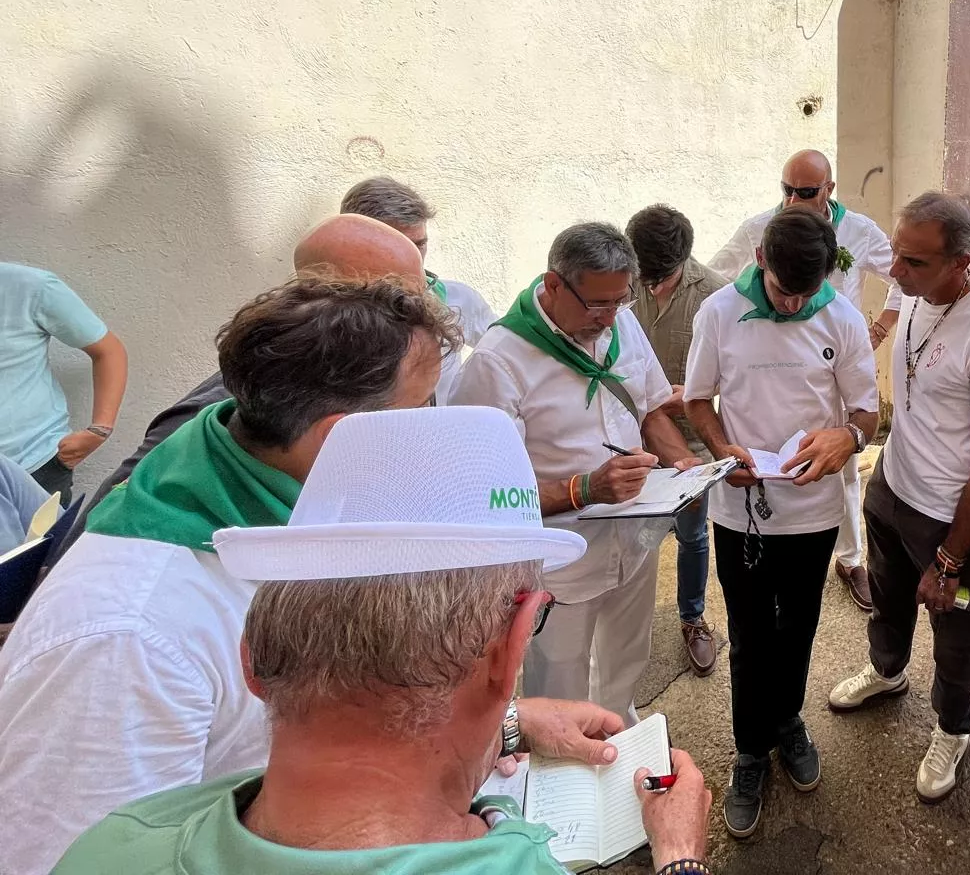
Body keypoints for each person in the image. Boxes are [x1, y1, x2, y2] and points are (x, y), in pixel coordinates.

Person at [54, 405, 716, 875]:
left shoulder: (108, 846)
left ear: (253, 661)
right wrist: (679, 856)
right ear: (511, 648)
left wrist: (510, 726)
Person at [0, 275, 457, 874]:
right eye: (422, 409)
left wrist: (502, 725)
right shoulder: (127, 636)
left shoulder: (292, 513)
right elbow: (65, 858)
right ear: (341, 436)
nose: (437, 432)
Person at [63, 213, 430, 551]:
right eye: (397, 296)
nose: (420, 307)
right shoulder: (227, 405)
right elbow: (112, 515)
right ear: (328, 294)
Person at [684, 208, 879, 837]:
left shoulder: (843, 318)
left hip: (814, 512)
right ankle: (749, 749)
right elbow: (696, 399)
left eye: (807, 293)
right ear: (761, 258)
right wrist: (720, 448)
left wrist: (846, 437)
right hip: (741, 510)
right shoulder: (718, 312)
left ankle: (789, 720)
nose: (795, 304)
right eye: (784, 291)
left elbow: (866, 414)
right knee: (747, 634)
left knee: (798, 626)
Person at [827, 192, 970, 803]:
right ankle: (887, 672)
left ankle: (953, 728)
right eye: (895, 254)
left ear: (960, 262)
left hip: (954, 518)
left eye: (913, 262)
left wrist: (950, 561)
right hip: (893, 487)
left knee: (964, 618)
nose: (896, 272)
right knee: (888, 598)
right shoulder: (915, 294)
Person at [453, 222, 696, 720]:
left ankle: (619, 728)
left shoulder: (620, 323)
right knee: (559, 678)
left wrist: (685, 467)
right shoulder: (499, 362)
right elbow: (487, 493)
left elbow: (650, 408)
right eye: (597, 305)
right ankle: (567, 770)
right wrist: (584, 488)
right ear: (554, 284)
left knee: (629, 654)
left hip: (635, 537)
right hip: (561, 561)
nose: (609, 320)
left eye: (620, 302)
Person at [706, 149, 899, 612]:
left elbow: (899, 275)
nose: (794, 198)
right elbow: (716, 274)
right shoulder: (759, 228)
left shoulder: (858, 230)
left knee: (841, 464)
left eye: (806, 192)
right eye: (787, 189)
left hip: (835, 357)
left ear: (829, 190)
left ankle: (850, 559)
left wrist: (877, 329)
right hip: (768, 354)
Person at [626, 204, 727, 679]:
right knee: (636, 534)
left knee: (692, 535)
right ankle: (626, 623)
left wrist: (692, 395)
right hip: (633, 437)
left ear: (683, 262)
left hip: (692, 443)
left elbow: (737, 375)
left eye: (659, 280)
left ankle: (691, 617)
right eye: (642, 281)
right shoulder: (625, 280)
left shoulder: (716, 295)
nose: (649, 290)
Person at [340, 176, 497, 404]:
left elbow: (510, 356)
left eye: (420, 244)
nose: (413, 258)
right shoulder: (320, 319)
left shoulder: (458, 299)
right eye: (399, 245)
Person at [0, 261, 128, 500]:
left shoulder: (33, 287)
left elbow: (109, 351)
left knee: (43, 539)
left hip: (34, 467)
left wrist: (100, 428)